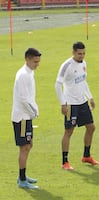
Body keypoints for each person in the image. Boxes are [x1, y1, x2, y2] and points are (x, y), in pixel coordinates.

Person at [55, 41, 99, 170]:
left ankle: (86, 156)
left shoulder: (84, 64)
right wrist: (63, 103)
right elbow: (57, 84)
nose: (82, 56)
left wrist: (90, 97)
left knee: (91, 127)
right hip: (71, 104)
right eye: (79, 54)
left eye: (84, 53)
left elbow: (83, 81)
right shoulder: (66, 65)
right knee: (69, 131)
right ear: (73, 52)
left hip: (82, 102)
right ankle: (65, 162)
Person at [11, 48, 42, 189]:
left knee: (29, 145)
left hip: (26, 116)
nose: (37, 64)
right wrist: (34, 112)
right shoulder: (23, 75)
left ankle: (22, 176)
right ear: (28, 59)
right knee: (25, 147)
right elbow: (23, 99)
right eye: (35, 62)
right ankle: (22, 180)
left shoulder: (29, 72)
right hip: (22, 117)